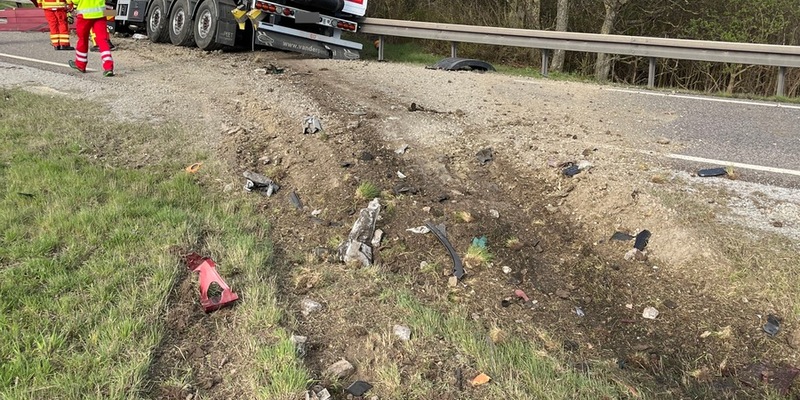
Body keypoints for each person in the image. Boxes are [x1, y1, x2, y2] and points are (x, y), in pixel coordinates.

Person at [68, 0, 114, 76]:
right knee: (103, 40)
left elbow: (75, 1)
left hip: (85, 15)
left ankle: (80, 64)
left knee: (83, 39)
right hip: (100, 14)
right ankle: (108, 67)